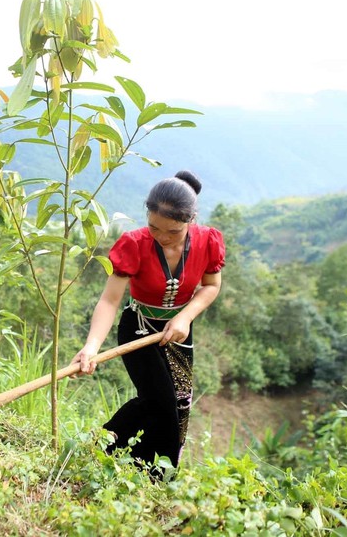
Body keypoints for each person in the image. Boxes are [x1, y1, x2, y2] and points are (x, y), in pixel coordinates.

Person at [71, 170, 224, 471]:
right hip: (138, 327)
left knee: (180, 404)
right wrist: (91, 347)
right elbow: (110, 300)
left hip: (179, 331)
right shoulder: (133, 244)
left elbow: (211, 286)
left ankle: (148, 469)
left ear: (191, 220)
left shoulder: (208, 241)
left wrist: (185, 316)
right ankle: (110, 451)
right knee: (159, 400)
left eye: (173, 232)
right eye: (154, 227)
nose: (163, 238)